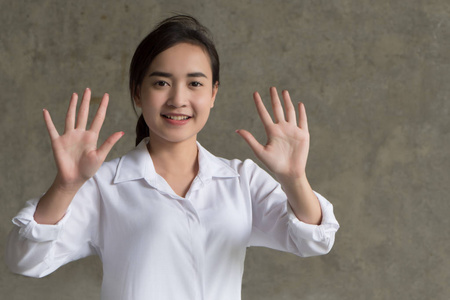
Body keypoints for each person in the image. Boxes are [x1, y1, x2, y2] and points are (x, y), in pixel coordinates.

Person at [5, 15, 339, 300]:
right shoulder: (105, 185)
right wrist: (65, 186)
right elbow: (26, 260)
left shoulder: (242, 181)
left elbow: (312, 240)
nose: (178, 99)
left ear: (213, 94)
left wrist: (295, 179)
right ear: (138, 92)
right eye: (162, 82)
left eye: (195, 83)